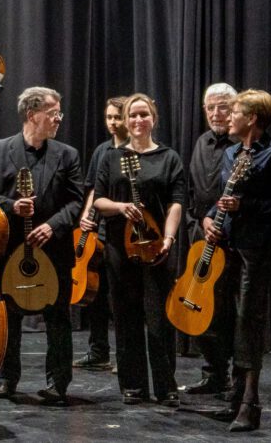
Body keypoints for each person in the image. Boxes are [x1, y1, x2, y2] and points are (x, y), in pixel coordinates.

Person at [0, 87, 83, 407]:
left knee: (58, 317)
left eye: (59, 113)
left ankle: (58, 383)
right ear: (31, 115)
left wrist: (52, 226)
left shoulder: (67, 154)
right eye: (53, 113)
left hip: (54, 250)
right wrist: (12, 206)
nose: (58, 119)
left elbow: (77, 202)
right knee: (8, 317)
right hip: (11, 247)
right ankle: (6, 378)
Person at [205, 89, 271, 432]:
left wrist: (246, 206)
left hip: (257, 248)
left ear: (253, 118)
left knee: (249, 322)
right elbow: (224, 197)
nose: (228, 118)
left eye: (235, 112)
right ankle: (233, 397)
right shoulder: (231, 153)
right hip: (227, 245)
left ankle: (250, 403)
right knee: (227, 319)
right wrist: (210, 218)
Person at [93, 93, 186, 407]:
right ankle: (132, 385)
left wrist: (169, 239)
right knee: (126, 317)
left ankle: (165, 385)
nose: (137, 120)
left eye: (143, 114)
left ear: (153, 119)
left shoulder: (169, 157)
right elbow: (98, 200)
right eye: (132, 115)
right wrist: (121, 207)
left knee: (160, 319)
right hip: (120, 248)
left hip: (158, 246)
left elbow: (176, 203)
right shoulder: (110, 157)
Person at [180, 83, 238, 396]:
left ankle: (231, 376)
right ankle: (213, 373)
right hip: (200, 238)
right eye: (210, 108)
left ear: (235, 108)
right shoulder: (201, 143)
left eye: (223, 107)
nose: (216, 113)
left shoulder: (241, 144)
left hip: (232, 241)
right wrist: (197, 223)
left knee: (227, 310)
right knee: (201, 307)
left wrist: (221, 224)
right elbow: (192, 193)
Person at [73, 96, 128, 371]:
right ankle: (98, 351)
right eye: (109, 118)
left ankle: (125, 355)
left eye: (117, 117)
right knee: (94, 292)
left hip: (123, 231)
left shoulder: (133, 150)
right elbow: (93, 187)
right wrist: (86, 214)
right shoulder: (102, 150)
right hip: (99, 231)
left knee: (120, 297)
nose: (113, 123)